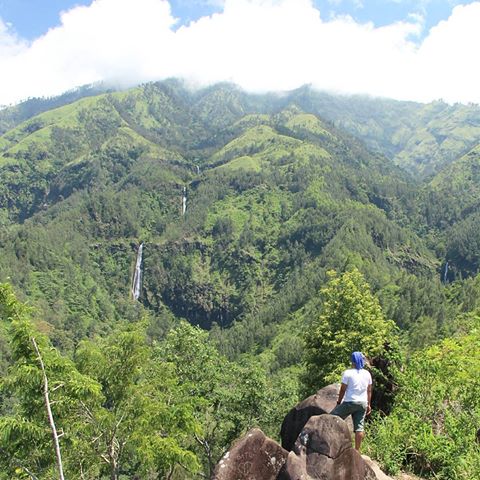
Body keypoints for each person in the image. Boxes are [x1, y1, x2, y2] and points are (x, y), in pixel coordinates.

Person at [330, 351, 372, 452]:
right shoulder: (367, 374)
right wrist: (368, 404)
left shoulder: (348, 373)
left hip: (350, 402)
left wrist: (339, 402)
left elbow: (343, 389)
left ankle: (332, 444)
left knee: (331, 418)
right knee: (359, 427)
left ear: (352, 361)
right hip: (362, 403)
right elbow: (369, 390)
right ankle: (357, 451)